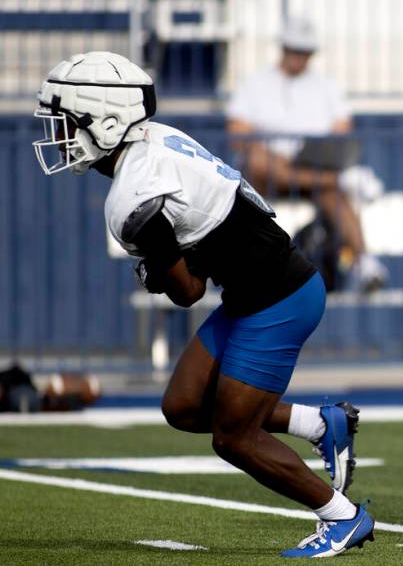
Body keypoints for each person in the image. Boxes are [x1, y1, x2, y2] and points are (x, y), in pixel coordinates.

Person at [32, 51, 375, 558]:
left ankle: (342, 517)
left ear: (106, 123)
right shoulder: (154, 138)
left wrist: (153, 271)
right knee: (184, 406)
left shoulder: (131, 195)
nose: (59, 137)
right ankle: (321, 424)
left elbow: (188, 291)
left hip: (277, 298)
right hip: (256, 289)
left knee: (234, 437)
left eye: (67, 123)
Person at [226, 16, 387, 293]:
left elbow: (341, 129)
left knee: (331, 193)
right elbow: (238, 134)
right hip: (268, 175)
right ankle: (340, 179)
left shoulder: (326, 86)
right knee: (261, 160)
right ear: (283, 48)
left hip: (309, 168)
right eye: (294, 50)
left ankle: (365, 264)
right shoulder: (255, 83)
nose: (299, 57)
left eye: (304, 52)